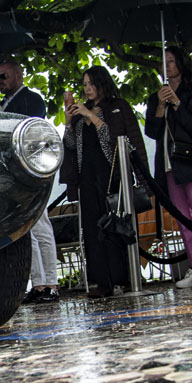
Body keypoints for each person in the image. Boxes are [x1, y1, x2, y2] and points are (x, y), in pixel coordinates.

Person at [59, 65, 151, 298]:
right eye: (84, 85)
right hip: (88, 177)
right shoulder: (81, 112)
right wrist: (70, 121)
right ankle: (103, 281)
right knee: (93, 229)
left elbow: (125, 141)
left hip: (113, 175)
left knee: (120, 226)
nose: (87, 89)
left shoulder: (118, 107)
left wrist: (144, 180)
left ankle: (128, 276)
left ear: (102, 83)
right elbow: (70, 145)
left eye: (91, 84)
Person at [0, 60, 58, 303]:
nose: (0, 81)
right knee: (26, 231)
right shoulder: (2, 104)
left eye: (4, 76)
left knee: (41, 227)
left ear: (18, 75)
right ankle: (39, 282)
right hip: (14, 172)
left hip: (31, 169)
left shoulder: (32, 100)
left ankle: (51, 282)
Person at [145, 47, 192, 289]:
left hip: (188, 161)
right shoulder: (156, 96)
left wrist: (177, 103)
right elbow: (151, 132)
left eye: (171, 61)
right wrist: (161, 106)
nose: (168, 66)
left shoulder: (189, 91)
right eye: (164, 63)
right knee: (182, 218)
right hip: (169, 164)